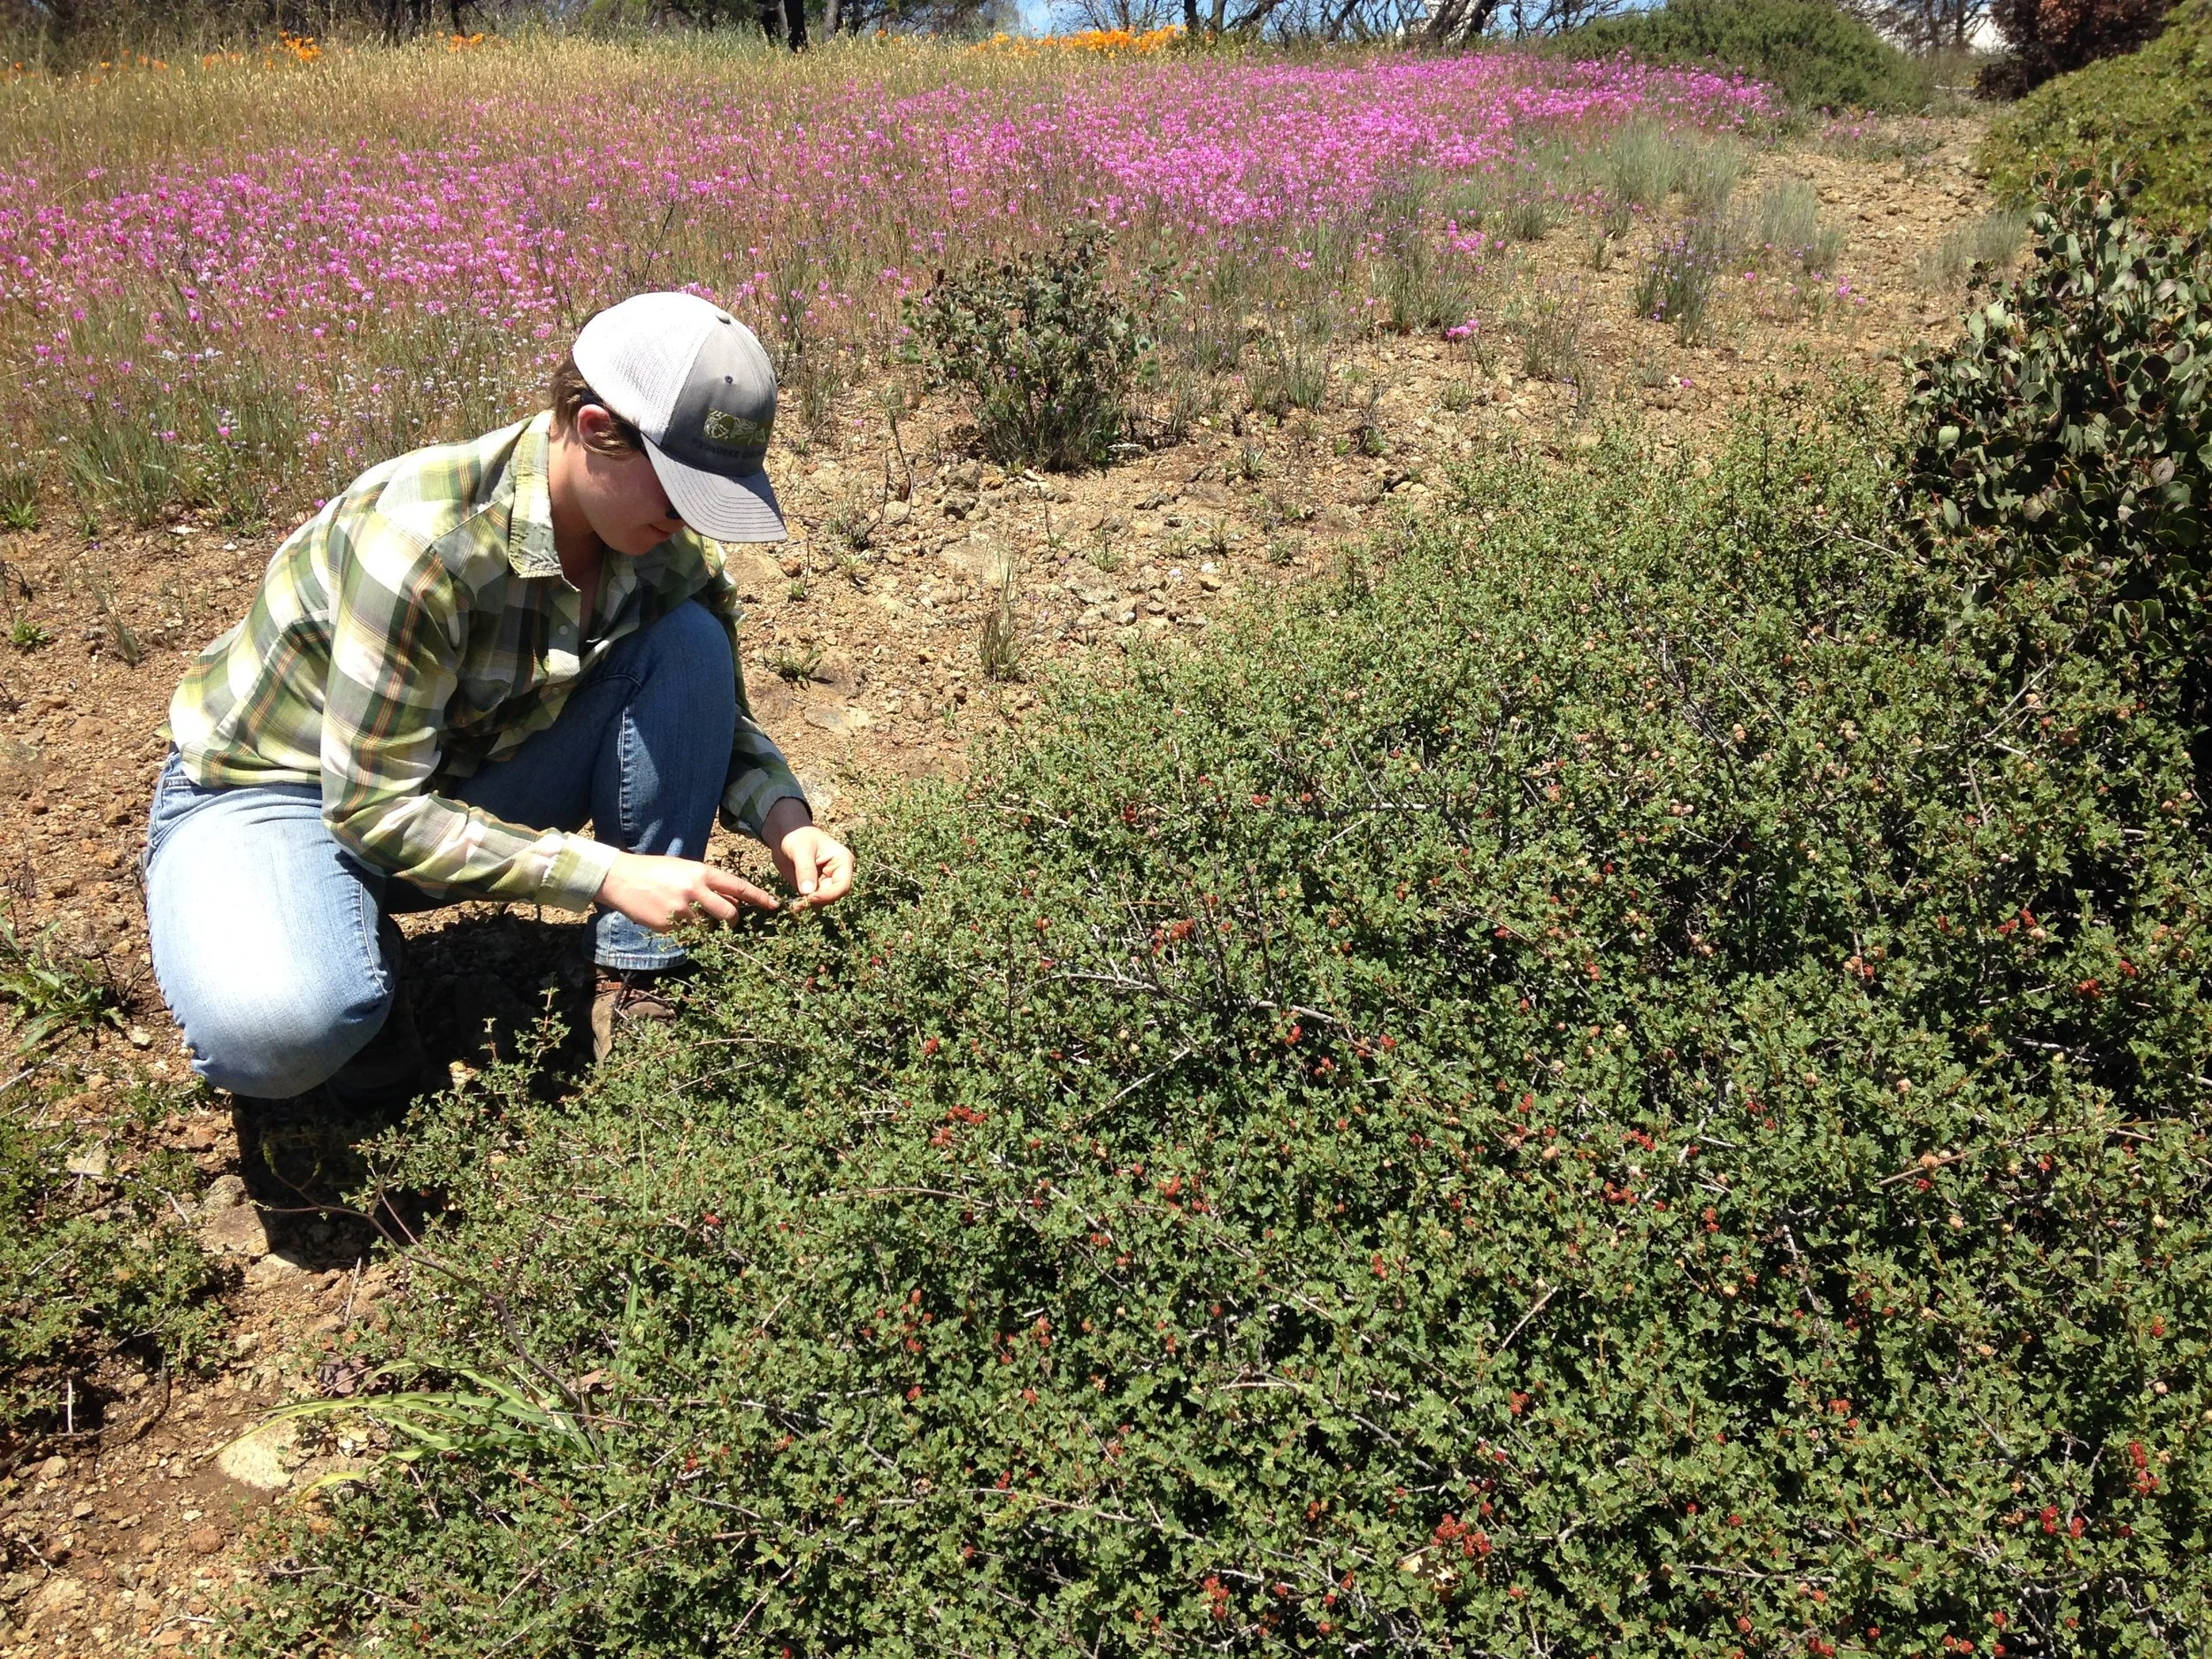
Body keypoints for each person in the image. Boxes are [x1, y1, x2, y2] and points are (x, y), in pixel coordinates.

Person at [142, 291, 852, 1111]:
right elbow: (371, 808)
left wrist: (786, 822)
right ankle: (343, 988)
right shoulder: (424, 544)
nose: (693, 521)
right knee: (282, 1027)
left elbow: (710, 713)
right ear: (595, 430)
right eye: (683, 491)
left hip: (450, 773)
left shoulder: (658, 546)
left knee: (686, 640)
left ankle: (638, 979)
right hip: (277, 793)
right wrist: (607, 871)